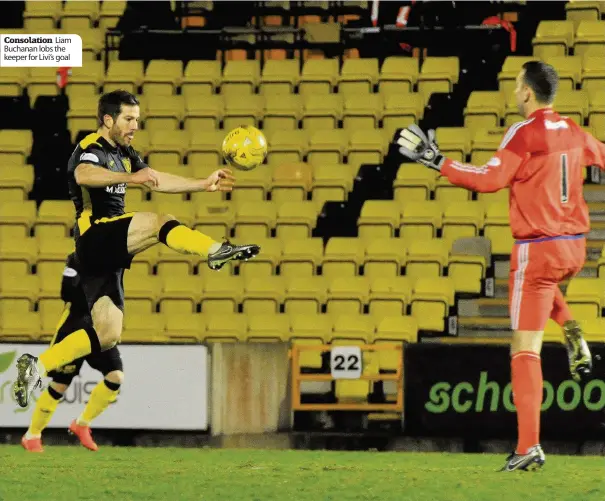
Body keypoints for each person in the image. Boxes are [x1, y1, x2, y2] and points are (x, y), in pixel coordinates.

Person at [396, 61, 603, 471]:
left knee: (524, 349)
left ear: (528, 92)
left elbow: (488, 180)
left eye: (516, 86)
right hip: (575, 246)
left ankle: (528, 447)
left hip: (538, 246)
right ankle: (572, 328)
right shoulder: (575, 131)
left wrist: (438, 161)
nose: (514, 92)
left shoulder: (523, 133)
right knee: (544, 285)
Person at [13, 90, 260, 409]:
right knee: (161, 222)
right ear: (107, 119)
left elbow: (155, 180)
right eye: (128, 119)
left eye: (137, 120)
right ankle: (214, 251)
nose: (134, 126)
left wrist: (203, 184)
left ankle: (35, 367)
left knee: (107, 334)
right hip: (96, 234)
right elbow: (82, 174)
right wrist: (131, 177)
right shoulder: (92, 147)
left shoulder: (126, 152)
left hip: (106, 253)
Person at [22, 253, 123, 453]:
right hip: (74, 326)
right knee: (60, 385)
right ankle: (32, 435)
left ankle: (82, 424)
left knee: (116, 377)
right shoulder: (77, 258)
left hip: (100, 329)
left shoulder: (115, 258)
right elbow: (66, 292)